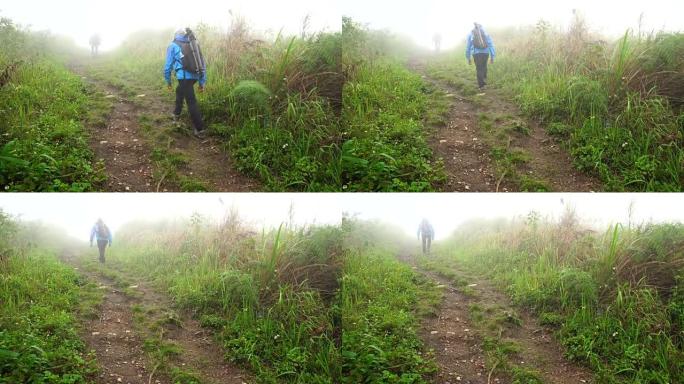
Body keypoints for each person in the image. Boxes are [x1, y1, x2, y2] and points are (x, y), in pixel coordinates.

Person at [164, 28, 207, 138]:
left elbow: (168, 67)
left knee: (191, 101)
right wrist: (202, 82)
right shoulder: (193, 45)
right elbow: (202, 64)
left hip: (183, 77)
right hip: (195, 76)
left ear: (175, 35)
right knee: (180, 90)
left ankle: (200, 129)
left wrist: (168, 81)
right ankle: (176, 113)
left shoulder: (173, 45)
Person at [466, 23, 496, 90]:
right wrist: (492, 56)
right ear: (481, 27)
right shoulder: (486, 33)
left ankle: (481, 85)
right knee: (484, 66)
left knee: (479, 68)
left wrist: (468, 57)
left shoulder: (471, 34)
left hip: (476, 53)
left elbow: (468, 47)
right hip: (485, 53)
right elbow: (491, 45)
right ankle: (484, 81)